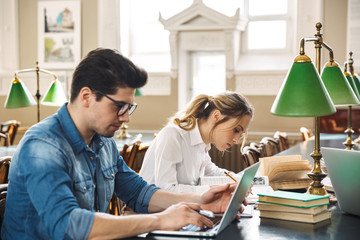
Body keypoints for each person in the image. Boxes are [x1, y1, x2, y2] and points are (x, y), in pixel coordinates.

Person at [1, 48, 240, 240]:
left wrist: (200, 200)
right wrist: (161, 220)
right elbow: (69, 225)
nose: (126, 117)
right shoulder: (42, 146)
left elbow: (139, 193)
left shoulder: (103, 143)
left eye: (130, 107)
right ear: (86, 96)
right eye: (120, 106)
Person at [139, 92, 253, 193]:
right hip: (152, 213)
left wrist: (238, 179)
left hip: (179, 209)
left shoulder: (202, 143)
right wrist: (215, 190)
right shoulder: (173, 135)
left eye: (240, 134)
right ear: (217, 116)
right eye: (236, 130)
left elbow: (211, 170)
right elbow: (166, 190)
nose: (236, 140)